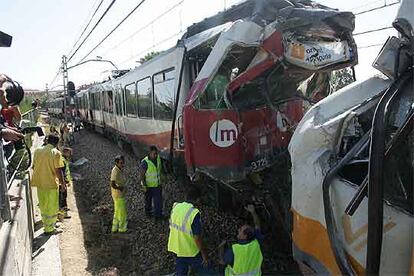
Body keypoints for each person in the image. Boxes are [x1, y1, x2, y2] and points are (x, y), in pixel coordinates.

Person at [167, 187, 212, 275]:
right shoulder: (194, 213)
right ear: (198, 199)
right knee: (206, 271)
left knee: (181, 272)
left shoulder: (176, 206)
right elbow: (197, 238)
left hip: (177, 248)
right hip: (191, 251)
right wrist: (204, 254)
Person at [31, 134, 65, 234]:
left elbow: (34, 167)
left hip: (39, 182)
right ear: (57, 143)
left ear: (47, 141)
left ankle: (48, 224)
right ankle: (50, 228)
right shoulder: (56, 153)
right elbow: (58, 171)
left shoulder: (37, 151)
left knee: (43, 205)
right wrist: (62, 184)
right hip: (50, 183)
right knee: (52, 206)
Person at [221, 205, 263, 275]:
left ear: (245, 236)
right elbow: (257, 225)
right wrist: (253, 212)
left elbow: (222, 261)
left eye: (240, 230)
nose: (238, 230)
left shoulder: (234, 250)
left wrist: (221, 247)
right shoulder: (257, 242)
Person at [139, 145, 164, 219]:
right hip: (148, 186)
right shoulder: (145, 162)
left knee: (158, 201)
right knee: (148, 201)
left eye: (156, 153)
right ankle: (148, 213)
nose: (156, 155)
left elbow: (159, 170)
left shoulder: (158, 158)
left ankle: (158, 215)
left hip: (157, 185)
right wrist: (144, 186)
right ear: (149, 153)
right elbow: (141, 175)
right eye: (154, 154)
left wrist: (162, 178)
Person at [110, 155, 127, 233]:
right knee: (122, 213)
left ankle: (114, 227)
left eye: (123, 162)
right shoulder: (115, 170)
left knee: (117, 212)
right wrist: (120, 188)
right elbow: (112, 184)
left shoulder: (119, 169)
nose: (122, 164)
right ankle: (122, 229)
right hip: (118, 195)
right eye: (121, 163)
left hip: (118, 195)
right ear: (116, 163)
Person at [58, 147, 72, 220]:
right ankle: (62, 215)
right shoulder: (63, 160)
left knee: (62, 198)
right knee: (62, 198)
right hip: (62, 183)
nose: (70, 154)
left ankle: (62, 213)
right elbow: (62, 173)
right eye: (69, 153)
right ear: (65, 152)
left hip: (62, 182)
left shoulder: (63, 159)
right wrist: (63, 183)